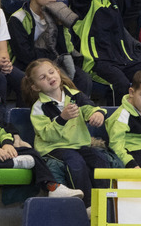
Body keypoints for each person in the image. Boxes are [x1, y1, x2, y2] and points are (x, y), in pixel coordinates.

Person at [0, 64, 84, 195]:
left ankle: (52, 187)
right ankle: (14, 163)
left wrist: (7, 144)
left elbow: (3, 130)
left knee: (31, 151)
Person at [24, 58, 108, 203]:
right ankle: (86, 205)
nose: (50, 77)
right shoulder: (39, 108)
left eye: (51, 72)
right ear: (36, 87)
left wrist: (97, 114)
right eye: (42, 77)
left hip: (78, 144)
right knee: (75, 162)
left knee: (100, 160)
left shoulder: (75, 95)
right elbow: (46, 134)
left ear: (58, 72)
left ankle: (104, 202)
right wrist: (62, 118)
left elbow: (89, 108)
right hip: (54, 147)